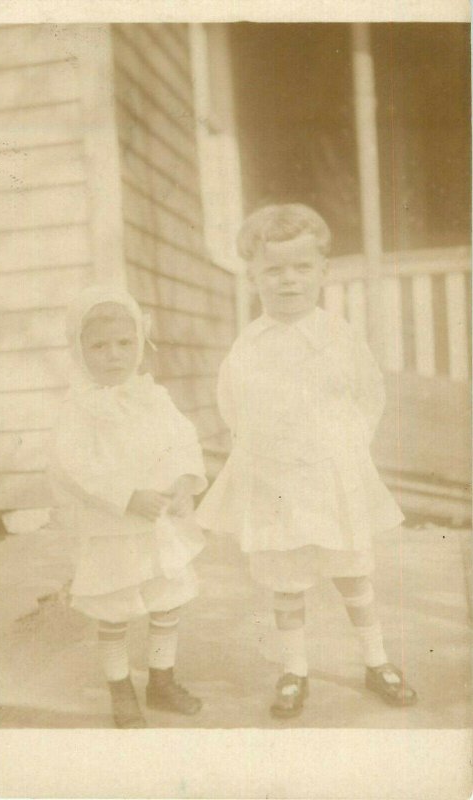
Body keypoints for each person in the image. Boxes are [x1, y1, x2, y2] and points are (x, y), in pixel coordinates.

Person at [196, 204, 417, 719]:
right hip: (276, 480)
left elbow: (369, 394)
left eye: (301, 268)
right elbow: (232, 405)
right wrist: (265, 448)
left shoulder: (339, 336)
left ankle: (376, 660)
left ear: (322, 272)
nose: (288, 281)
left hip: (332, 475)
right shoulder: (248, 345)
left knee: (353, 572)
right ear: (254, 278)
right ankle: (294, 669)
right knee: (285, 577)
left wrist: (348, 446)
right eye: (274, 270)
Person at [49, 284, 207, 728]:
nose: (113, 355)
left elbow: (181, 440)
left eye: (124, 343)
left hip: (158, 525)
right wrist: (127, 496)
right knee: (115, 607)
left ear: (140, 343)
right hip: (112, 526)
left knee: (167, 600)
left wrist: (181, 482)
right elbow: (74, 466)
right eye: (99, 345)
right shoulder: (79, 407)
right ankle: (120, 688)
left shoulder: (153, 397)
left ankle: (161, 679)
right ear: (78, 350)